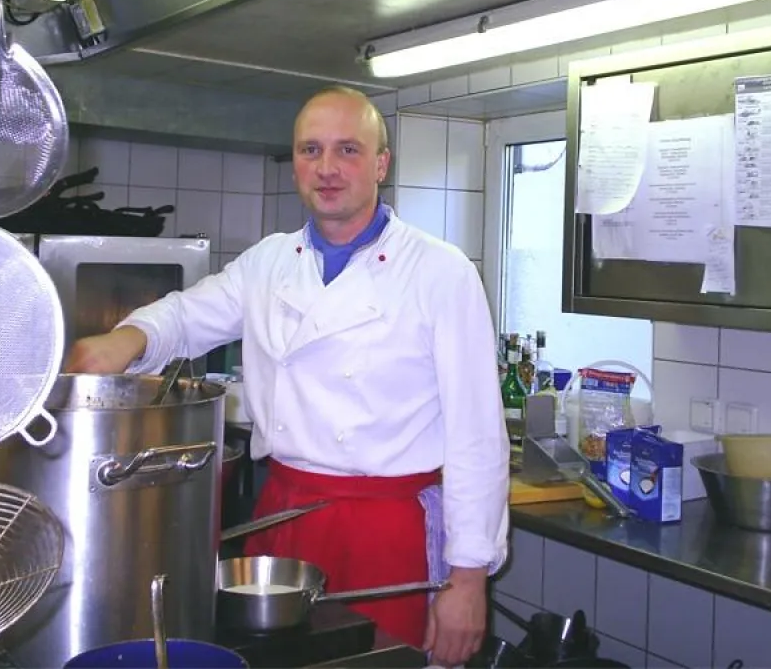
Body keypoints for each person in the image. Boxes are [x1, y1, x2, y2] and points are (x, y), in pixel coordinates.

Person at [66, 85, 510, 666]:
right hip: (283, 519)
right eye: (310, 150)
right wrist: (126, 339)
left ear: (381, 163)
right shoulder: (270, 261)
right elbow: (186, 315)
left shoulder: (440, 272)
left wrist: (467, 581)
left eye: (348, 150)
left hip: (385, 531)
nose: (326, 168)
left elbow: (478, 438)